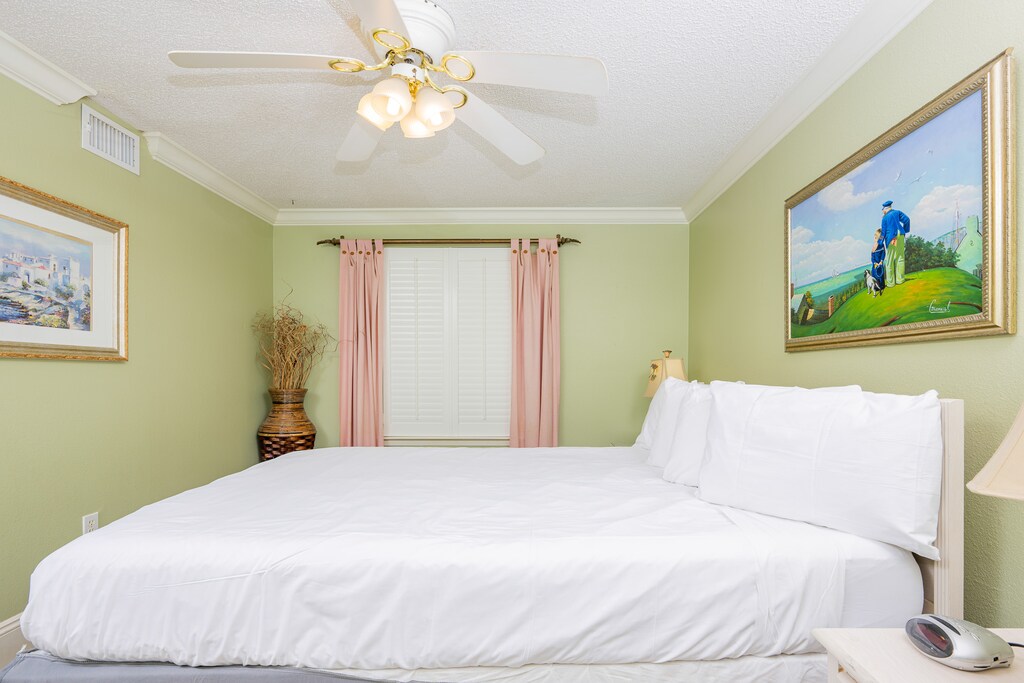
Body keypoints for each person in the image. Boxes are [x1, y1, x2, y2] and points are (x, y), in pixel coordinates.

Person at [880, 200, 910, 286]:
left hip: (891, 238)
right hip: (900, 235)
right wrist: (905, 230)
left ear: (885, 209)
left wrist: (880, 241)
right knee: (900, 257)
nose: (882, 211)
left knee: (889, 260)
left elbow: (883, 232)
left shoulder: (884, 218)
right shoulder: (897, 212)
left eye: (882, 209)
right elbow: (907, 220)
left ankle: (891, 283)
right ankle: (900, 280)